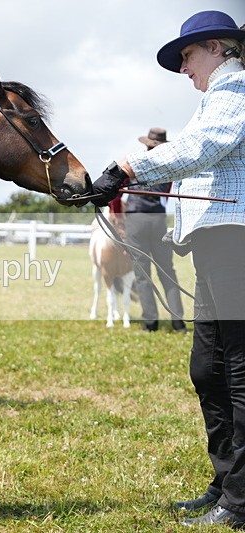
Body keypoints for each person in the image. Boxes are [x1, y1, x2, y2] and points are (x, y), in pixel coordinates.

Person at [89, 10, 245, 528]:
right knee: (207, 368)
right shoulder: (215, 97)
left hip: (235, 241)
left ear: (218, 48)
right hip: (216, 242)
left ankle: (240, 501)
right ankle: (226, 481)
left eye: (188, 55)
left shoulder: (236, 90)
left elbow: (204, 149)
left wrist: (127, 168)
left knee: (237, 370)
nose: (183, 68)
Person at [122, 128, 187, 333]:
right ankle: (178, 322)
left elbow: (116, 192)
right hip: (158, 219)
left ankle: (150, 322)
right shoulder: (169, 168)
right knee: (167, 271)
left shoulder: (135, 163)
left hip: (136, 219)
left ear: (146, 144)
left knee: (143, 274)